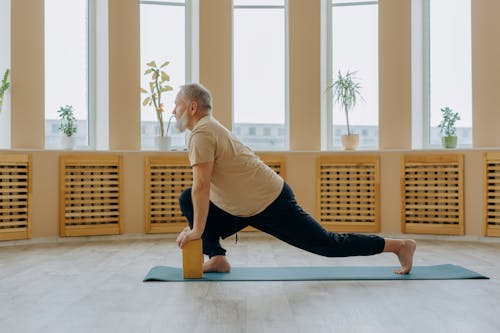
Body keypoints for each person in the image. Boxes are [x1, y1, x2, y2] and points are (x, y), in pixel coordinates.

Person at [173, 83, 416, 275]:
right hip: (241, 205)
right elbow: (200, 189)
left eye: (178, 105)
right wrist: (199, 229)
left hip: (270, 201)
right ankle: (217, 258)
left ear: (193, 107)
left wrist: (196, 231)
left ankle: (398, 246)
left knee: (328, 244)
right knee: (187, 198)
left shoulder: (203, 133)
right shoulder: (207, 129)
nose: (174, 111)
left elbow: (202, 186)